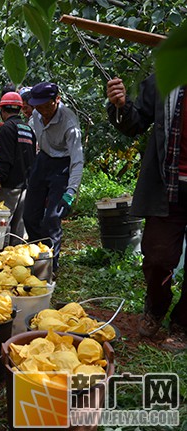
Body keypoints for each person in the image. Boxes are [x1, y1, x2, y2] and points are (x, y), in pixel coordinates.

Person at [106, 75, 187, 351]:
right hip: (170, 188)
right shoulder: (164, 80)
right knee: (156, 258)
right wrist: (121, 104)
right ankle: (156, 307)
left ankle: (183, 324)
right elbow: (135, 123)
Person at [22, 82, 83, 274]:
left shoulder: (69, 124)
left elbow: (77, 159)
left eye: (46, 106)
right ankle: (36, 255)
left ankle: (50, 266)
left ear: (57, 100)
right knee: (29, 216)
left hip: (62, 165)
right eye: (38, 107)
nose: (42, 111)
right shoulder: (36, 114)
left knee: (51, 219)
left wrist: (71, 190)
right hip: (43, 161)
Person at [0, 92, 36, 246]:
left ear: (2, 109)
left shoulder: (6, 129)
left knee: (2, 225)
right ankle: (16, 262)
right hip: (26, 184)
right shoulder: (28, 129)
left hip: (9, 185)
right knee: (19, 226)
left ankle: (0, 262)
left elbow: (5, 158)